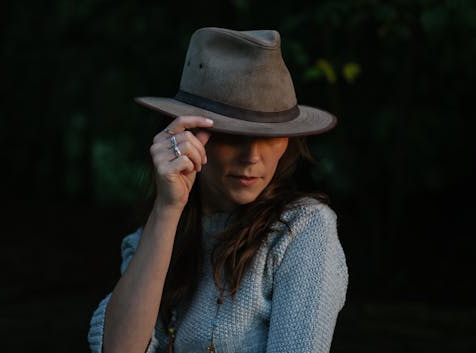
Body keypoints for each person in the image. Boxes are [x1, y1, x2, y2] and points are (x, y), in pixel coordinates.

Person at [88, 27, 348, 353]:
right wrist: (167, 211)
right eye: (232, 134)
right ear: (186, 134)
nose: (253, 157)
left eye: (270, 135)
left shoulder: (302, 231)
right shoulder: (151, 238)